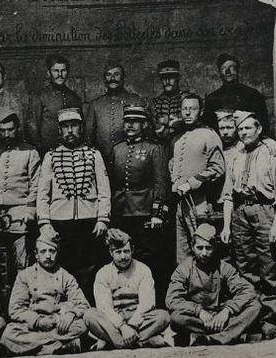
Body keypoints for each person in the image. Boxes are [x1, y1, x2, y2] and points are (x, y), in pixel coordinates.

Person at [220, 111, 276, 338]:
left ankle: (271, 317)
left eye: (247, 129)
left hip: (265, 210)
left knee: (269, 266)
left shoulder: (272, 152)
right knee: (244, 266)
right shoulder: (235, 156)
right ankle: (251, 315)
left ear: (259, 130)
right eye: (240, 129)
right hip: (240, 212)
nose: (243, 133)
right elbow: (229, 194)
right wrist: (225, 226)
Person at [36, 107, 112, 295]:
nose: (70, 131)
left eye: (74, 126)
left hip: (89, 220)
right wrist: (44, 222)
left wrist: (103, 218)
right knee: (64, 266)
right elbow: (43, 193)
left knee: (89, 266)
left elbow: (104, 189)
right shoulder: (51, 157)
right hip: (60, 222)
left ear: (81, 128)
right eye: (65, 127)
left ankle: (87, 309)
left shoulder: (94, 155)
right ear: (60, 130)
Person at [0, 112, 41, 308]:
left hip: (19, 211)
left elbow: (36, 184)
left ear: (18, 128)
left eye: (11, 130)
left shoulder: (30, 152)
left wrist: (30, 209)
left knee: (21, 263)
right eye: (2, 130)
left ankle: (21, 307)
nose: (6, 134)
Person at [1, 226, 91, 355]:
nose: (48, 256)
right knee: (8, 333)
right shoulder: (25, 275)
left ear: (57, 253)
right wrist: (38, 321)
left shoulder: (65, 276)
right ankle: (57, 347)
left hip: (57, 323)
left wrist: (70, 314)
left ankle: (34, 348)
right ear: (36, 255)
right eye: (43, 251)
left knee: (81, 326)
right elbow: (15, 309)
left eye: (52, 251)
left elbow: (82, 304)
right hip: (33, 324)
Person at [167, 223, 262, 345]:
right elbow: (171, 299)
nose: (204, 253)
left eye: (208, 248)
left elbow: (248, 290)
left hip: (221, 317)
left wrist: (227, 311)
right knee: (176, 318)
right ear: (192, 247)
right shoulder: (184, 269)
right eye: (200, 248)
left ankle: (215, 338)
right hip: (197, 319)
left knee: (255, 306)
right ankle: (231, 334)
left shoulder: (224, 267)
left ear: (214, 248)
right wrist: (199, 311)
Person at [108, 102, 170, 287]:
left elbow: (161, 183)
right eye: (127, 121)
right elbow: (111, 183)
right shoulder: (117, 149)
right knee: (122, 255)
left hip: (144, 211)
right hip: (121, 212)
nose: (130, 126)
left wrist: (158, 214)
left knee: (147, 257)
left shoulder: (154, 149)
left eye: (135, 122)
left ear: (144, 125)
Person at [85, 228, 171, 349]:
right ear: (111, 252)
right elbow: (105, 308)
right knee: (90, 315)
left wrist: (131, 326)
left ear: (133, 250)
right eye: (118, 252)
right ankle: (141, 342)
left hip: (139, 322)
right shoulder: (103, 273)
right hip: (113, 323)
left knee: (163, 316)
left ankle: (114, 343)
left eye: (126, 251)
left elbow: (147, 304)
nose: (123, 256)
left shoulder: (143, 270)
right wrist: (122, 327)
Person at [168, 94, 226, 268]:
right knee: (182, 253)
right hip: (180, 204)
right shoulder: (178, 138)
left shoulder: (209, 135)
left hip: (200, 202)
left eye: (192, 109)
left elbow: (217, 168)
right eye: (184, 109)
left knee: (203, 250)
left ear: (200, 111)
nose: (188, 113)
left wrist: (191, 183)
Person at [83, 60, 145, 162]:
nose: (112, 78)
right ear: (104, 79)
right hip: (102, 160)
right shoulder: (95, 104)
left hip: (129, 160)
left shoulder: (135, 100)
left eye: (116, 74)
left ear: (123, 77)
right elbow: (88, 136)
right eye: (108, 75)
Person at [26, 55, 82, 150]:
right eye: (56, 71)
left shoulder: (74, 97)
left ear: (67, 72)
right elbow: (32, 128)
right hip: (47, 151)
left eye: (63, 71)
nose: (60, 74)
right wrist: (41, 149)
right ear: (49, 73)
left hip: (71, 150)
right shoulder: (39, 97)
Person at [204, 53, 269, 132]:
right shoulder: (212, 98)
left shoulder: (253, 94)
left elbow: (264, 124)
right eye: (223, 68)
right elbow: (208, 127)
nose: (227, 71)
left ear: (238, 71)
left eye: (231, 67)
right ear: (219, 73)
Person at [150, 59, 193, 141]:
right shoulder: (155, 102)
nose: (167, 81)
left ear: (178, 78)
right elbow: (154, 125)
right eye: (164, 78)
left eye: (171, 77)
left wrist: (165, 121)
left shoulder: (187, 99)